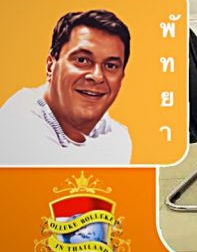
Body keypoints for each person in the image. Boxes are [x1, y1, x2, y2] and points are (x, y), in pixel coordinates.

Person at [0, 10, 132, 165]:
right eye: (82, 60)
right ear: (50, 66)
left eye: (110, 65)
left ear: (122, 76)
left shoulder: (117, 136)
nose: (97, 76)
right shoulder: (17, 123)